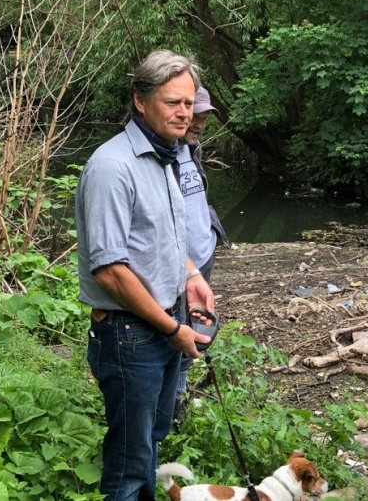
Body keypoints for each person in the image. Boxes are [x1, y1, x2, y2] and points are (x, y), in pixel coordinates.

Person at [75, 49, 215, 501]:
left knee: (151, 437)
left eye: (188, 102)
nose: (183, 112)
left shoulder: (167, 154)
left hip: (163, 322)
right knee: (130, 462)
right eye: (172, 101)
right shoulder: (112, 167)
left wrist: (192, 276)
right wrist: (173, 328)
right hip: (129, 333)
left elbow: (166, 236)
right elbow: (111, 270)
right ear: (140, 99)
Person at [171, 87, 229, 429]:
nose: (201, 121)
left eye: (205, 115)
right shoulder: (162, 154)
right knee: (177, 335)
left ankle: (177, 399)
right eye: (197, 113)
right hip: (178, 264)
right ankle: (173, 407)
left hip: (201, 260)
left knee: (195, 329)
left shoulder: (192, 150)